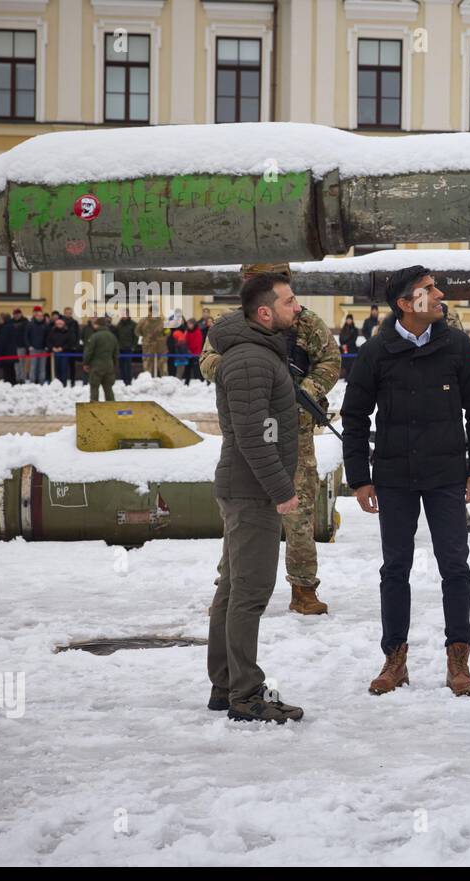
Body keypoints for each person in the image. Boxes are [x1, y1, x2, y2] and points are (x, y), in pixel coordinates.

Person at [342, 265, 470, 697]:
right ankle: (395, 659)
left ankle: (458, 660)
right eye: (429, 289)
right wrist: (360, 479)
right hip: (394, 478)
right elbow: (354, 417)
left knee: (455, 567)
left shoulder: (456, 345)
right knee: (395, 569)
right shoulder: (378, 351)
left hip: (447, 477)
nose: (440, 293)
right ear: (406, 304)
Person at [201, 264, 342, 616]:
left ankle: (303, 587)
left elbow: (331, 360)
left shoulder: (305, 322)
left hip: (295, 427)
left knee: (300, 511)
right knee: (244, 511)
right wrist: (250, 375)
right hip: (248, 421)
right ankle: (230, 585)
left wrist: (301, 391)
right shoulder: (229, 326)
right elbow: (207, 361)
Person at [206, 271, 305, 724]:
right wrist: (281, 491)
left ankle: (226, 685)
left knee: (232, 591)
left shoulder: (258, 353)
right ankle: (244, 695)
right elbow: (251, 435)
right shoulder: (249, 360)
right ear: (264, 312)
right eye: (289, 302)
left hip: (248, 488)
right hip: (253, 491)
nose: (297, 307)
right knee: (249, 593)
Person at [83, 315, 119, 402]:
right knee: (108, 388)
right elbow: (116, 353)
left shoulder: (94, 336)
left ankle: (95, 408)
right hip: (109, 366)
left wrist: (86, 363)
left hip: (96, 366)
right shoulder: (112, 336)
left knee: (94, 387)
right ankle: (111, 407)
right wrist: (114, 364)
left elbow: (89, 352)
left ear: (97, 325)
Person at [47, 315, 75, 385]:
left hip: (64, 353)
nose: (59, 325)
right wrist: (52, 348)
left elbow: (70, 342)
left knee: (64, 370)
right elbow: (48, 341)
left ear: (63, 324)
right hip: (54, 354)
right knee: (55, 370)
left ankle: (64, 384)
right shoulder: (52, 331)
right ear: (56, 324)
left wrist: (62, 348)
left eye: (61, 323)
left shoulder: (68, 332)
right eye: (58, 323)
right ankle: (56, 384)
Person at [138, 311, 166, 377]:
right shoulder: (162, 321)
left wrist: (146, 336)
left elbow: (137, 331)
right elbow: (167, 332)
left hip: (150, 344)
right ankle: (163, 379)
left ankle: (148, 379)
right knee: (161, 364)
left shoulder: (143, 321)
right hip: (157, 345)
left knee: (148, 364)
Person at [114, 312, 138, 385]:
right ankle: (124, 380)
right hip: (120, 348)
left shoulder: (133, 324)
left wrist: (133, 346)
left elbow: (135, 336)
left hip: (129, 348)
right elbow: (116, 335)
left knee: (128, 365)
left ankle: (129, 381)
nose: (124, 316)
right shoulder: (119, 324)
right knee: (121, 365)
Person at [27, 307, 49, 383]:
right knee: (33, 366)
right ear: (35, 316)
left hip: (43, 349)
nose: (40, 317)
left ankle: (41, 381)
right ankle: (32, 381)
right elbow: (26, 336)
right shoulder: (30, 324)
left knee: (42, 367)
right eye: (38, 315)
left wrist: (47, 346)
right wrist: (29, 346)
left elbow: (48, 336)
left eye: (41, 316)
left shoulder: (45, 325)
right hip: (33, 349)